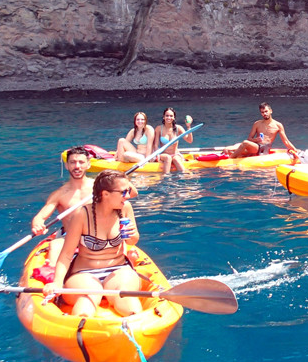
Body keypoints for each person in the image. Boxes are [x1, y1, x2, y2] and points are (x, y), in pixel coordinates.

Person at [43, 170, 143, 318]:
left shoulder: (125, 207)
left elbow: (132, 241)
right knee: (89, 296)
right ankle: (81, 330)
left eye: (128, 191)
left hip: (119, 269)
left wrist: (133, 234)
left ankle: (135, 327)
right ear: (105, 194)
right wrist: (57, 283)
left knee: (126, 295)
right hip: (85, 273)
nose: (128, 196)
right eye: (123, 192)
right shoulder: (82, 214)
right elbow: (66, 254)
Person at [226, 102, 298, 158]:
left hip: (263, 148)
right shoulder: (257, 124)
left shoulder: (278, 125)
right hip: (255, 146)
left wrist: (295, 150)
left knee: (245, 143)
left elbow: (286, 141)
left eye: (266, 111)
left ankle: (230, 159)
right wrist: (256, 140)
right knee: (228, 149)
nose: (265, 114)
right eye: (262, 112)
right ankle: (228, 154)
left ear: (271, 111)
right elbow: (249, 138)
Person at [153, 108, 195, 173]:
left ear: (174, 117)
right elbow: (155, 145)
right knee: (168, 158)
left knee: (175, 159)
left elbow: (189, 140)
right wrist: (157, 155)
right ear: (163, 117)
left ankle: (186, 176)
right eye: (167, 116)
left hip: (175, 154)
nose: (169, 118)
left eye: (171, 116)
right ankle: (166, 178)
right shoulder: (158, 129)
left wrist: (188, 127)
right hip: (164, 155)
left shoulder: (178, 128)